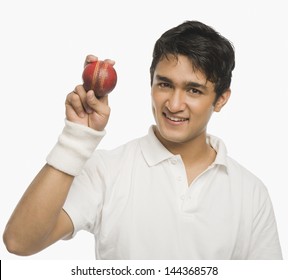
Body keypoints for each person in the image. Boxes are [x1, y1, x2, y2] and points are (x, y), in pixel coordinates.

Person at [3, 20, 282, 260]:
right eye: (165, 84)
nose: (174, 104)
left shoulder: (251, 192)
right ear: (151, 83)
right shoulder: (107, 170)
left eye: (193, 90)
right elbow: (20, 242)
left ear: (220, 99)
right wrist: (77, 138)